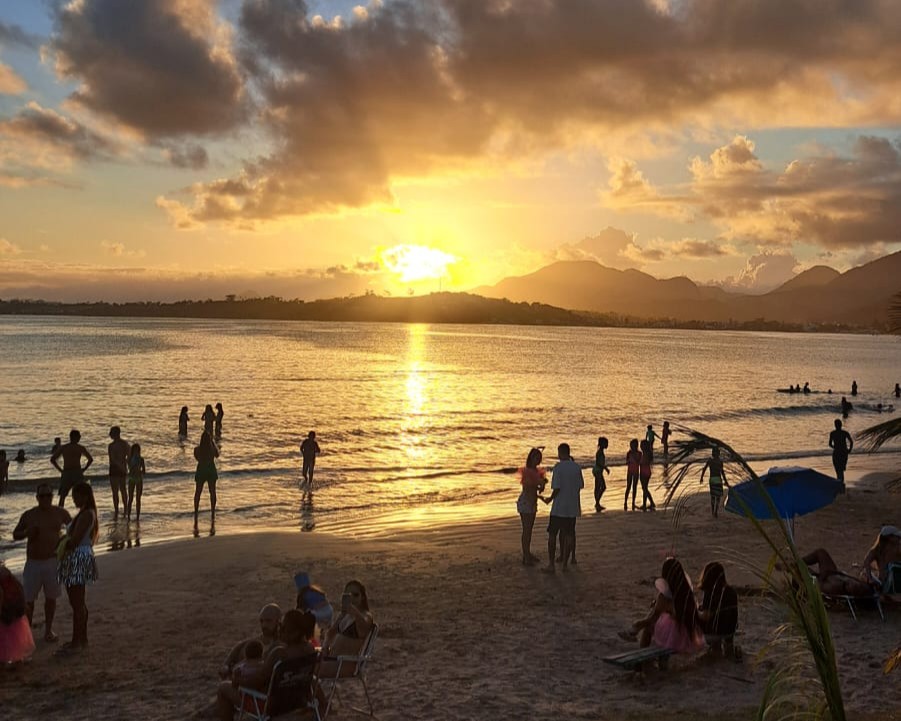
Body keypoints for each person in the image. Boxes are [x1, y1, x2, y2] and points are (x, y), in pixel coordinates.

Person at [216, 609, 317, 721]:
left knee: (223, 688)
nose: (279, 630)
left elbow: (257, 681)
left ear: (295, 633)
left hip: (270, 706)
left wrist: (237, 681)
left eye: (283, 628)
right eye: (279, 626)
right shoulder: (310, 649)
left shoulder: (279, 653)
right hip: (298, 702)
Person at [12, 483, 71, 642]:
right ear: (37, 498)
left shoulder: (60, 513)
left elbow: (74, 528)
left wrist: (65, 542)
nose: (45, 499)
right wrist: (26, 533)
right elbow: (15, 534)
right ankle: (26, 633)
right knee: (28, 601)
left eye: (48, 496)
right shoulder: (29, 515)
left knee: (51, 598)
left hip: (52, 562)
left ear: (52, 497)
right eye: (42, 496)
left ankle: (48, 630)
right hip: (33, 563)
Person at [622, 557, 703, 654]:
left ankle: (642, 652)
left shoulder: (664, 597)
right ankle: (634, 632)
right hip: (690, 635)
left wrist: (638, 624)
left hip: (676, 638)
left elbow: (652, 619)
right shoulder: (688, 593)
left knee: (649, 627)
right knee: (658, 615)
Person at [57, 481, 99, 653]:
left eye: (76, 496)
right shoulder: (85, 513)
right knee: (78, 601)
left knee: (77, 602)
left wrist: (60, 544)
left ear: (85, 496)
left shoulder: (87, 514)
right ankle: (81, 639)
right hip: (79, 556)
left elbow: (74, 541)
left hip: (77, 558)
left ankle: (77, 641)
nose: (73, 499)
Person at [540, 443, 583, 573]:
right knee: (569, 534)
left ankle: (551, 565)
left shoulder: (558, 468)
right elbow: (580, 486)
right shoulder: (576, 467)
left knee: (553, 534)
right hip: (572, 507)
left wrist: (549, 499)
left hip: (559, 507)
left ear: (561, 453)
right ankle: (565, 564)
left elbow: (557, 488)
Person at [320, 581, 374, 679]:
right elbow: (330, 633)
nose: (352, 598)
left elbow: (365, 624)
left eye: (356, 595)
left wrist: (354, 611)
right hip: (332, 660)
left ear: (362, 597)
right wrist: (325, 646)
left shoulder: (365, 616)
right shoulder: (344, 615)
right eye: (348, 595)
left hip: (344, 665)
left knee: (307, 671)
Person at [219, 603, 283, 680]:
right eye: (261, 621)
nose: (264, 625)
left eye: (268, 621)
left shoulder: (281, 644)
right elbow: (240, 646)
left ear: (279, 621)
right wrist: (226, 664)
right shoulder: (256, 640)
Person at [697, 562, 738, 658]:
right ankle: (729, 650)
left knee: (697, 618)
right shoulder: (731, 591)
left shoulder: (710, 592)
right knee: (723, 620)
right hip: (730, 630)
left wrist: (696, 612)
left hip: (715, 632)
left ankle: (716, 649)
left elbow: (706, 616)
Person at [0, 563, 35, 665]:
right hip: (15, 612)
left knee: (6, 639)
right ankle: (17, 659)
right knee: (13, 641)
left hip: (7, 613)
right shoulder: (5, 572)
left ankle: (10, 661)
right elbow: (19, 587)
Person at [516, 448, 546, 565]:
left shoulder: (536, 471)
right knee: (526, 530)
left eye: (539, 458)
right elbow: (528, 489)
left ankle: (527, 553)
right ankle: (526, 556)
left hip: (532, 502)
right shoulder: (528, 471)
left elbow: (535, 489)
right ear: (531, 458)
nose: (538, 460)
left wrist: (541, 486)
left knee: (529, 530)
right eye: (536, 458)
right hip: (526, 502)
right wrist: (539, 486)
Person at [51, 429, 93, 508]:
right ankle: (81, 511)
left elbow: (53, 459)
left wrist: (61, 470)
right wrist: (84, 469)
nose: (80, 438)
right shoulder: (79, 447)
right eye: (79, 436)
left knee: (64, 496)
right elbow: (90, 459)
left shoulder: (64, 447)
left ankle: (62, 512)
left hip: (68, 472)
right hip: (76, 472)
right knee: (80, 495)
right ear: (76, 437)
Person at [193, 431, 220, 523]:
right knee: (212, 492)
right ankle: (212, 511)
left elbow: (197, 457)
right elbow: (217, 454)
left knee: (198, 492)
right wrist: (213, 443)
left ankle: (196, 511)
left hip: (201, 470)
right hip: (211, 469)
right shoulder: (212, 449)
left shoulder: (197, 449)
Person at [108, 426, 130, 515]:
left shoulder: (111, 446)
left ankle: (117, 509)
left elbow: (112, 459)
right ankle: (125, 509)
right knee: (123, 489)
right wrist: (126, 466)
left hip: (114, 468)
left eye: (111, 433)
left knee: (116, 491)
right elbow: (129, 456)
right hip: (122, 468)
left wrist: (121, 466)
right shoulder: (125, 444)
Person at [700, 447, 726, 517]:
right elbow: (722, 472)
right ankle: (716, 511)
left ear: (712, 453)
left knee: (712, 496)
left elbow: (704, 469)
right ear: (718, 454)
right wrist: (725, 481)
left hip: (712, 479)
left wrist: (701, 478)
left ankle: (712, 511)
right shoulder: (720, 462)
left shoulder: (710, 461)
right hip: (718, 479)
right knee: (718, 497)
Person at [828, 419, 853, 487]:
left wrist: (835, 447)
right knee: (841, 470)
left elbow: (830, 444)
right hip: (843, 452)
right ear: (841, 425)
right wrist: (849, 450)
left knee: (838, 470)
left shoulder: (832, 433)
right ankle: (841, 484)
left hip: (837, 452)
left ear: (835, 425)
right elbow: (851, 442)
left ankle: (840, 484)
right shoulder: (844, 433)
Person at [126, 443, 146, 521]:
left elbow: (144, 471)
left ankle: (137, 517)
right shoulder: (130, 459)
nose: (136, 451)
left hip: (139, 479)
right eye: (135, 450)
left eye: (137, 450)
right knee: (130, 498)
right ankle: (128, 516)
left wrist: (139, 471)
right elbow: (129, 468)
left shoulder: (141, 459)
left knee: (138, 498)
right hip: (131, 479)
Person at [592, 437, 610, 512]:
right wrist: (605, 468)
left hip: (599, 470)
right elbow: (598, 463)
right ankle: (597, 503)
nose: (607, 445)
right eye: (606, 443)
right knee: (598, 487)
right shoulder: (599, 452)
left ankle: (597, 502)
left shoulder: (601, 451)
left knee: (602, 487)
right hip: (597, 471)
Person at [638, 439, 656, 511]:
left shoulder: (646, 454)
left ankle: (650, 503)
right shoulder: (646, 453)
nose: (640, 446)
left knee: (644, 488)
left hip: (645, 472)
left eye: (642, 445)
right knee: (644, 488)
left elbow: (644, 462)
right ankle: (645, 503)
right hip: (645, 472)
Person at [624, 439, 641, 512]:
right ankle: (625, 502)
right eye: (631, 445)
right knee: (628, 486)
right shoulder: (629, 453)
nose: (632, 447)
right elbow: (626, 462)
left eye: (633, 445)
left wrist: (634, 458)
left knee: (634, 487)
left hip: (636, 471)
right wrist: (629, 461)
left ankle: (633, 502)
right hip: (630, 471)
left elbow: (639, 462)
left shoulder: (639, 453)